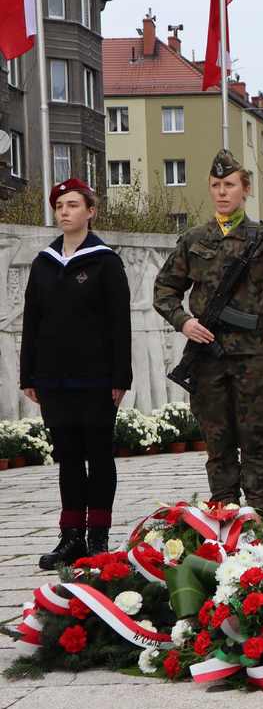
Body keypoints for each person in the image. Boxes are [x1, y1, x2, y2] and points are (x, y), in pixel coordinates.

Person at [153, 150, 263, 517]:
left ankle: (258, 511)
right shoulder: (193, 240)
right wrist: (185, 322)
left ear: (245, 189)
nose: (222, 192)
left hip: (255, 356)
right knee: (217, 440)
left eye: (230, 185)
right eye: (216, 185)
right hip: (208, 357)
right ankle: (223, 510)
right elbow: (164, 291)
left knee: (255, 437)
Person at [19, 179, 131, 568]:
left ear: (90, 211)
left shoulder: (105, 261)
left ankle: (98, 536)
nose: (64, 211)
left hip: (97, 378)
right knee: (67, 457)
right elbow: (31, 320)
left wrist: (121, 377)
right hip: (53, 379)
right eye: (59, 206)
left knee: (98, 456)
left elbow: (119, 323)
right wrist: (28, 375)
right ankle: (71, 537)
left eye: (72, 205)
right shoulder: (44, 263)